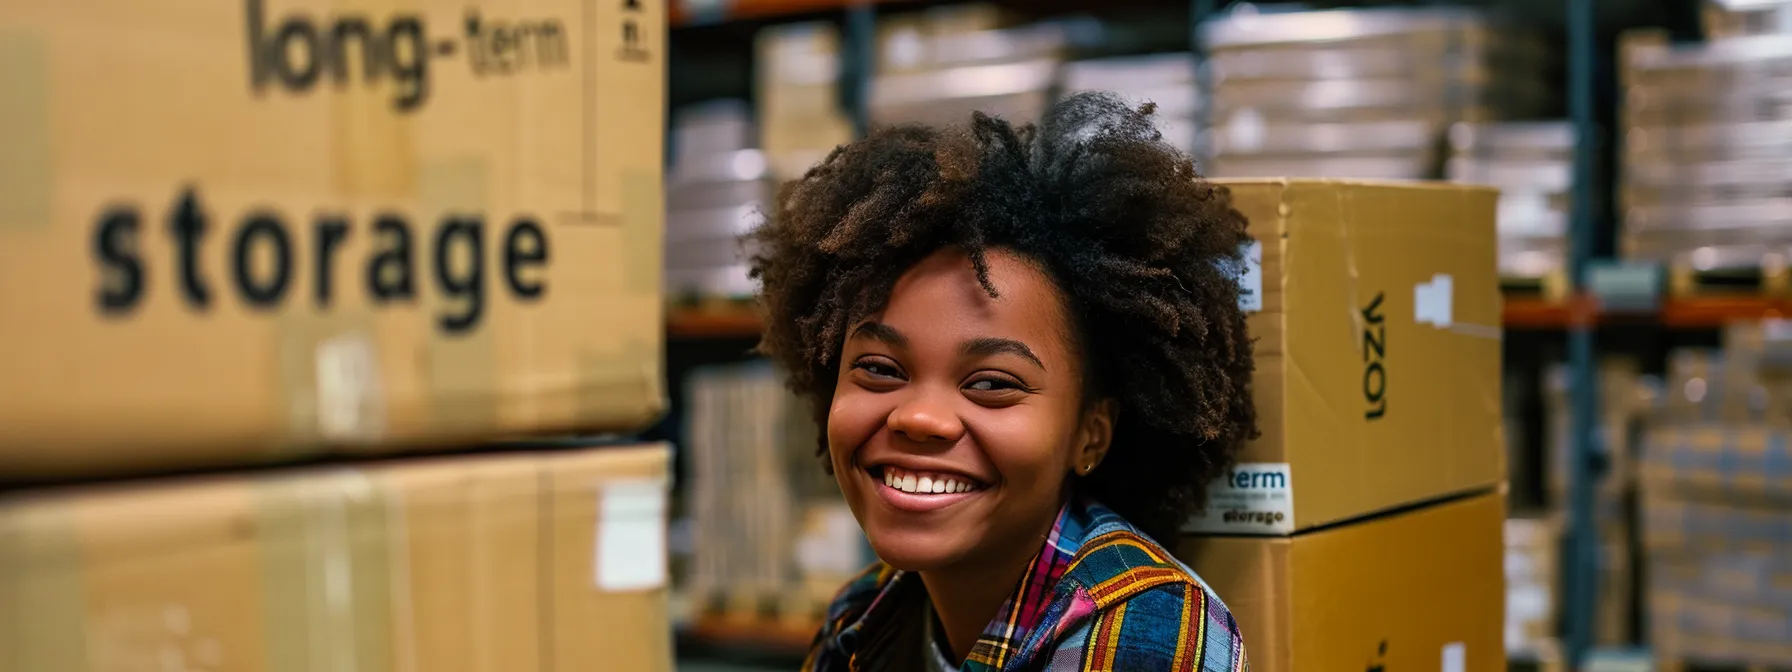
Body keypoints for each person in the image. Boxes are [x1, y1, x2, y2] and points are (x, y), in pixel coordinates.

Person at [748, 91, 1258, 672]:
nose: (918, 418)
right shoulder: (861, 616)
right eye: (880, 370)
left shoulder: (1151, 632)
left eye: (991, 383)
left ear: (1090, 435)